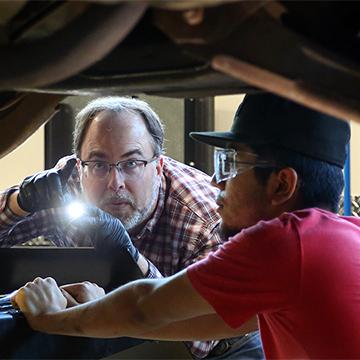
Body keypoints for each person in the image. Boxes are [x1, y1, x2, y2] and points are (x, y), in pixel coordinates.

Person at [12, 93, 360, 359]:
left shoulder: (282, 242)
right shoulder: (343, 234)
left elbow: (143, 307)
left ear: (282, 185)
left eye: (232, 164)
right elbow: (212, 321)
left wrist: (50, 319)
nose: (216, 181)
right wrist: (87, 314)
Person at [0, 96, 263, 359]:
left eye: (132, 163)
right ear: (79, 167)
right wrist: (19, 202)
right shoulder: (67, 185)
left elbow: (194, 341)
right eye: (99, 164)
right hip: (112, 324)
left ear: (158, 166)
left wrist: (131, 260)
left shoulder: (205, 219)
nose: (115, 183)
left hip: (221, 347)